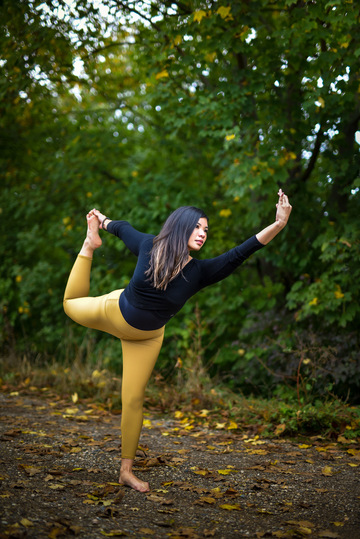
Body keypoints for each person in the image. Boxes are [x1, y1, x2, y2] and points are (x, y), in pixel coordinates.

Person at [63, 189, 292, 492]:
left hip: (146, 339)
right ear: (181, 225)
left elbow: (241, 251)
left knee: (132, 399)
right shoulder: (149, 246)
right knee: (69, 303)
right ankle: (88, 246)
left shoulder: (199, 272)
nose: (203, 233)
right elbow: (123, 228)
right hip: (114, 312)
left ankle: (126, 471)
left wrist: (278, 224)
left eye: (206, 230)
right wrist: (101, 222)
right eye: (197, 226)